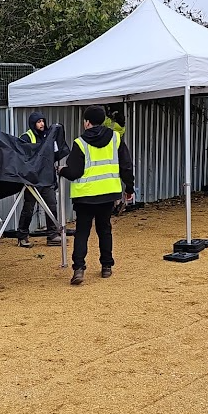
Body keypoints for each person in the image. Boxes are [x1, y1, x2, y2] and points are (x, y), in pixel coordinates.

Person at [59, 105, 134, 286]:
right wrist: (129, 188)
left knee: (82, 232)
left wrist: (62, 170)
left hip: (85, 197)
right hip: (108, 194)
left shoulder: (80, 143)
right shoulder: (116, 139)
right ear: (103, 120)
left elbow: (74, 172)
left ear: (86, 122)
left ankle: (79, 269)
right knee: (105, 229)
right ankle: (106, 267)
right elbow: (126, 165)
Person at [17, 111, 68, 248]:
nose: (42, 124)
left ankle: (52, 235)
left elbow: (56, 154)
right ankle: (22, 236)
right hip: (33, 180)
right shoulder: (26, 137)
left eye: (43, 121)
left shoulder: (48, 137)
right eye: (39, 122)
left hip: (47, 179)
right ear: (33, 123)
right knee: (28, 208)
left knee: (51, 206)